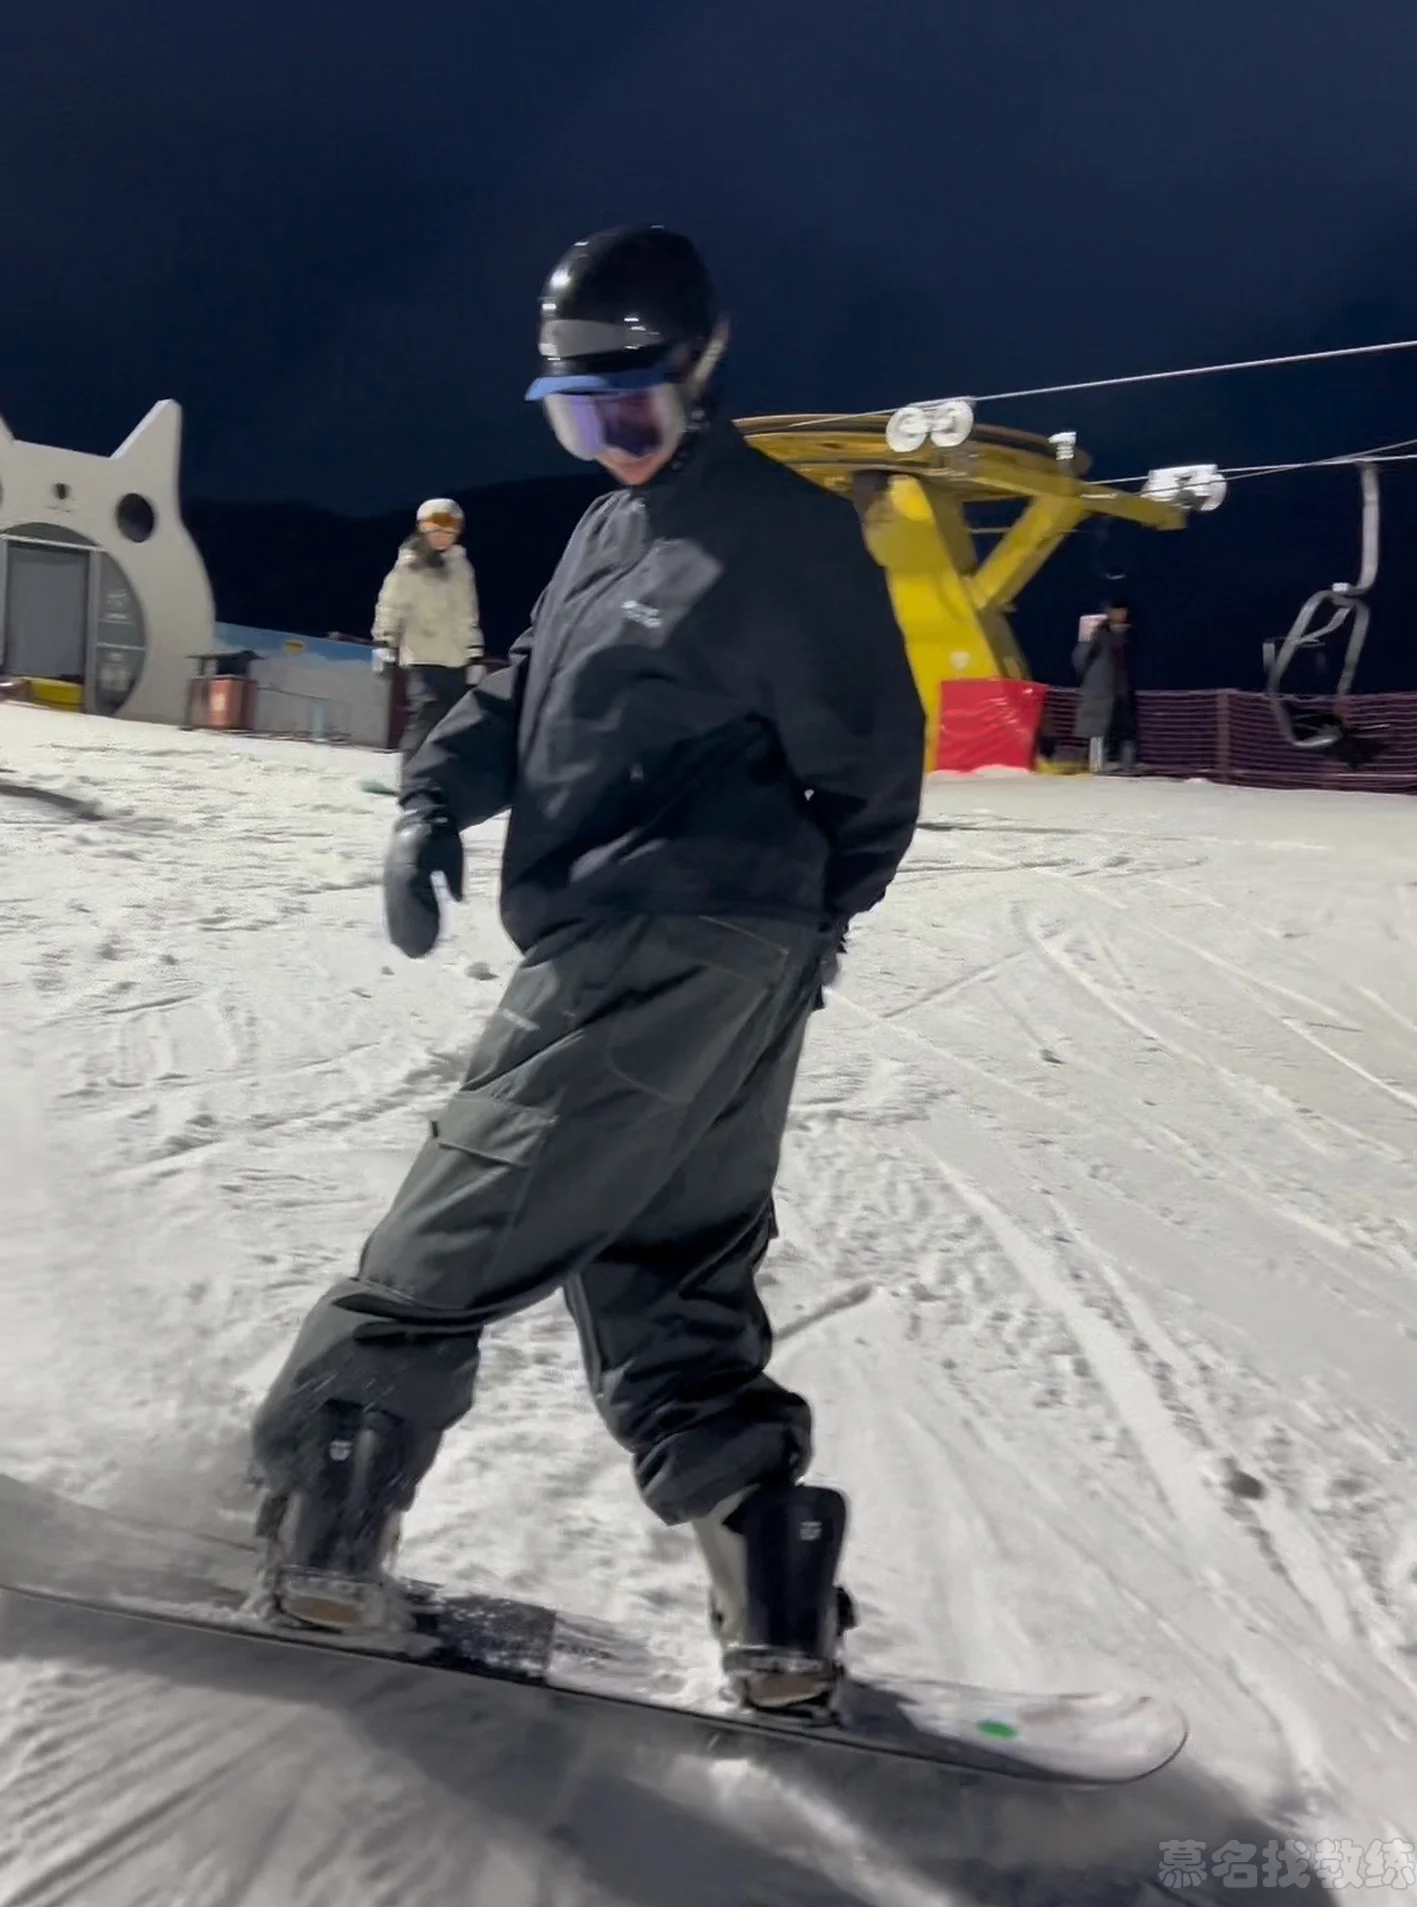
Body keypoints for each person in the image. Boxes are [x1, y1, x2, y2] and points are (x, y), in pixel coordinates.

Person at [248, 225, 926, 1714]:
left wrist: (785, 918)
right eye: (577, 417)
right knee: (667, 1274)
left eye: (634, 410)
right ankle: (771, 1577)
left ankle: (321, 1524)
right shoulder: (609, 533)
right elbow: (522, 687)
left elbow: (873, 760)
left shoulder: (780, 536)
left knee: (455, 1231)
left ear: (702, 373)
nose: (613, 442)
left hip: (663, 936)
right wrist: (433, 801)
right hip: (702, 950)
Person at [371, 499, 485, 772]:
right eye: (435, 529)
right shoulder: (410, 566)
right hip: (423, 656)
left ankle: (439, 778)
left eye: (450, 530)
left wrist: (474, 655)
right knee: (426, 714)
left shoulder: (461, 567)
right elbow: (390, 606)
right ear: (422, 528)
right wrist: (384, 642)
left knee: (452, 721)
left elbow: (468, 615)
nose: (443, 536)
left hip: (456, 659)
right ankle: (411, 776)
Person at [1073, 601, 1138, 773]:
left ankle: (1127, 765)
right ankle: (1097, 765)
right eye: (1117, 611)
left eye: (1123, 611)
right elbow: (1080, 661)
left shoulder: (1130, 635)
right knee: (1098, 729)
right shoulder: (1099, 635)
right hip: (1102, 692)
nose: (1121, 615)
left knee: (1125, 730)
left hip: (1123, 692)